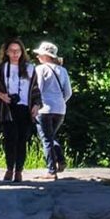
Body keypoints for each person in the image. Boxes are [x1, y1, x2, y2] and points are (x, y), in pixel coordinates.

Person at [0, 38, 37, 183]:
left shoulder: (30, 68)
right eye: (12, 51)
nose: (15, 54)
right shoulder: (2, 68)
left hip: (24, 107)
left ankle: (19, 170)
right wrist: (2, 96)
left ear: (22, 52)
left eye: (18, 51)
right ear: (6, 52)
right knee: (10, 139)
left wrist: (36, 105)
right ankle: (9, 168)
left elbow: (36, 90)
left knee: (22, 140)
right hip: (7, 108)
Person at [32, 41, 73, 177]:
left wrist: (35, 105)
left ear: (45, 56)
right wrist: (60, 102)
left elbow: (38, 89)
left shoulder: (40, 69)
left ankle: (51, 170)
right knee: (50, 137)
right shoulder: (63, 70)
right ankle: (60, 160)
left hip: (44, 109)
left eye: (39, 54)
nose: (37, 57)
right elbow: (68, 92)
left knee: (46, 139)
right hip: (60, 109)